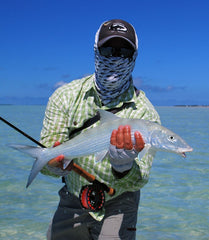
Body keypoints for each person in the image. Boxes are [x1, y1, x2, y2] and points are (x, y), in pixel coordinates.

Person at [40, 19, 160, 240]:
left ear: (134, 57)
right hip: (72, 196)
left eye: (123, 51)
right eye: (107, 50)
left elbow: (140, 180)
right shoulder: (64, 97)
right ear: (95, 52)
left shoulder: (147, 114)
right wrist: (54, 165)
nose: (114, 57)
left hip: (121, 203)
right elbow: (48, 163)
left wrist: (123, 166)